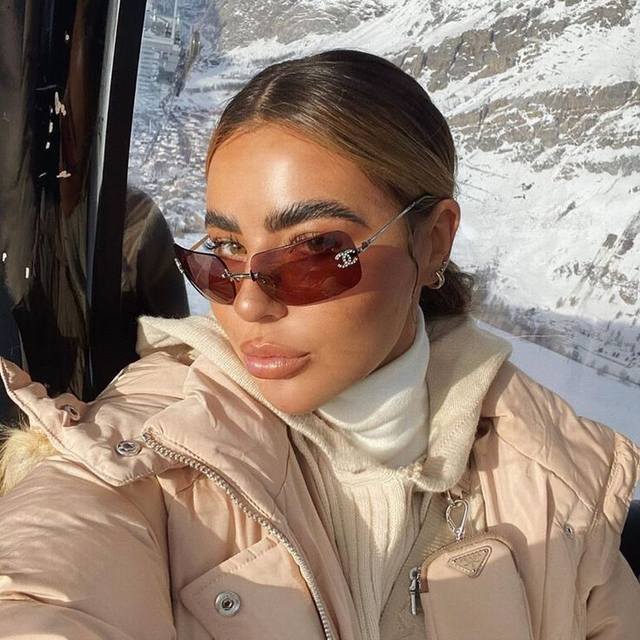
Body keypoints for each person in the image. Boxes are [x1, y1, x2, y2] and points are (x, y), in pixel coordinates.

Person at [0, 48, 638, 640]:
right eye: (225, 251)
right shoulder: (140, 451)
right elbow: (46, 586)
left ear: (433, 241)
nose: (248, 304)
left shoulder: (559, 479)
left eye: (315, 252)